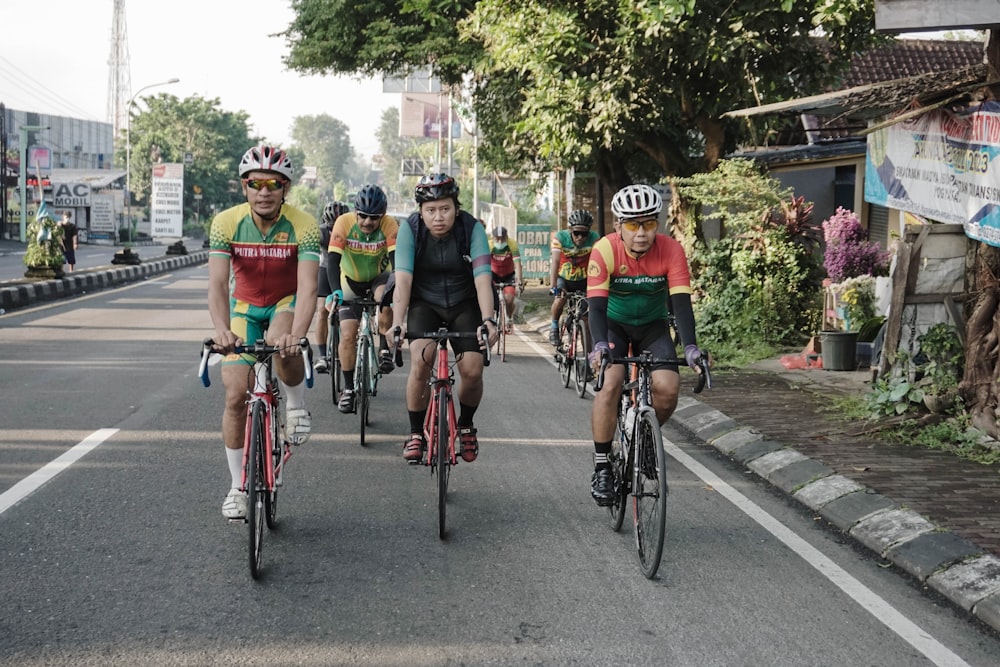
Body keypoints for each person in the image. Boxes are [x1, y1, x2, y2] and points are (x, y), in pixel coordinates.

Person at [207, 145, 320, 520]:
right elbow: (218, 286)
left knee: (281, 343)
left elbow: (307, 288)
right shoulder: (226, 223)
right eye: (256, 183)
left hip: (285, 302)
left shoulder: (303, 225)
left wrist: (298, 335)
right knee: (235, 394)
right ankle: (238, 487)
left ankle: (296, 406)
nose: (265, 191)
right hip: (244, 308)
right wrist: (222, 331)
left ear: (285, 188)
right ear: (245, 187)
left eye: (274, 183)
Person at [586, 184, 706, 505]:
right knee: (610, 384)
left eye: (649, 224)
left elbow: (681, 305)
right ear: (618, 226)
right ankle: (602, 467)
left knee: (667, 387)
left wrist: (691, 348)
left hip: (653, 327)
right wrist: (599, 346)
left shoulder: (671, 250)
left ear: (658, 224)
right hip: (613, 326)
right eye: (632, 225)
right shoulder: (604, 250)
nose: (641, 233)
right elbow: (595, 307)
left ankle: (644, 440)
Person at [391, 173, 498, 463]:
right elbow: (402, 282)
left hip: (465, 303)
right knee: (421, 361)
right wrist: (398, 322)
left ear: (456, 207)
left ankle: (466, 425)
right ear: (421, 212)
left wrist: (488, 320)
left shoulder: (471, 229)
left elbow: (482, 279)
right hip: (424, 303)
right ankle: (415, 433)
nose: (438, 217)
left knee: (473, 370)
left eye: (445, 208)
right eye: (431, 210)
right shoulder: (410, 230)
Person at [325, 184, 399, 414]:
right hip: (350, 281)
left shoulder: (389, 224)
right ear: (355, 212)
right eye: (363, 216)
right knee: (347, 335)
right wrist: (336, 291)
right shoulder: (344, 223)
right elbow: (332, 261)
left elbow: (397, 262)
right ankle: (348, 390)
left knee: (386, 298)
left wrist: (399, 291)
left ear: (383, 216)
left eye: (374, 218)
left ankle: (385, 349)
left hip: (378, 277)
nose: (367, 222)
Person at [548, 210, 599, 346]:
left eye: (584, 234)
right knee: (560, 299)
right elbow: (555, 262)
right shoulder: (560, 238)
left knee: (586, 317)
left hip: (584, 279)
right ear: (570, 229)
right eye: (577, 233)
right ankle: (554, 327)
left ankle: (587, 357)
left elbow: (599, 263)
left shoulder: (595, 238)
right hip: (564, 278)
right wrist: (553, 286)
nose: (580, 237)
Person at [314, 200, 350, 373]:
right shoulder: (320, 232)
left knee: (348, 313)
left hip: (345, 270)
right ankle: (322, 355)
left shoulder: (351, 229)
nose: (335, 231)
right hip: (326, 268)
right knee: (321, 311)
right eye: (331, 227)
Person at [488, 226, 522, 332]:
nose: (499, 241)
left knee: (509, 298)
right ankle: (490, 319)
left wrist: (520, 280)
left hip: (508, 275)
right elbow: (484, 264)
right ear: (493, 238)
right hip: (494, 274)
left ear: (506, 237)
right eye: (497, 239)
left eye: (502, 238)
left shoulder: (512, 244)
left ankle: (509, 317)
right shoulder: (489, 245)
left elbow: (517, 264)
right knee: (489, 297)